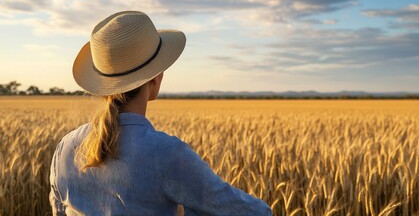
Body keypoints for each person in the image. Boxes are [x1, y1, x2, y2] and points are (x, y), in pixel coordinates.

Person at [49, 11, 272, 216]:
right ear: (156, 77)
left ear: (102, 84)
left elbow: (58, 209)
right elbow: (247, 212)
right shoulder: (167, 154)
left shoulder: (66, 147)